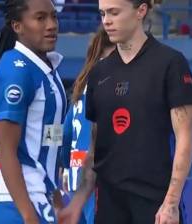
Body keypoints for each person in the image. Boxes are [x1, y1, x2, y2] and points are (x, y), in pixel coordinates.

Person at [59, 0, 192, 223]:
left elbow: (185, 139)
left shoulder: (171, 63)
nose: (107, 21)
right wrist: (77, 203)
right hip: (109, 205)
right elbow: (94, 149)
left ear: (141, 10)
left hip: (155, 203)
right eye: (103, 14)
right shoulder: (99, 73)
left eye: (114, 12)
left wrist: (171, 202)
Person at [0, 0, 66, 223]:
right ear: (17, 26)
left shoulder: (48, 69)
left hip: (42, 191)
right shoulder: (15, 70)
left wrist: (56, 196)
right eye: (40, 18)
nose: (51, 25)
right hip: (13, 197)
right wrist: (28, 215)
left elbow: (51, 135)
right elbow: (6, 150)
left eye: (53, 16)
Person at [61, 26, 115, 224]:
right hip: (98, 178)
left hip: (78, 178)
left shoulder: (81, 86)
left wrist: (66, 166)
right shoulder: (111, 80)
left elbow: (65, 133)